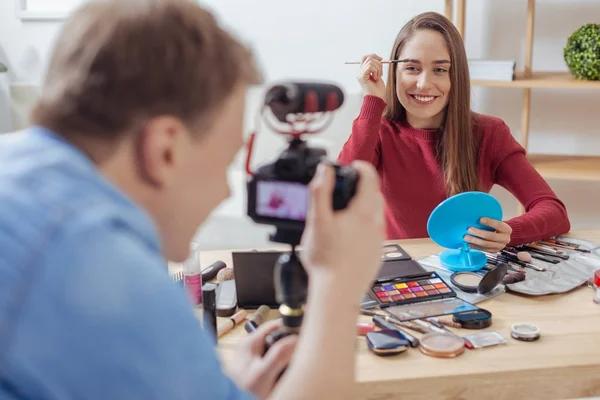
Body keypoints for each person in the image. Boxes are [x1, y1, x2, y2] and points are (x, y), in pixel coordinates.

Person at [0, 1, 384, 399]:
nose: (226, 189)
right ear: (166, 150)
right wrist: (339, 285)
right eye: (225, 161)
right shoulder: (105, 278)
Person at [338, 11, 570, 253]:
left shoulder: (489, 133)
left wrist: (510, 232)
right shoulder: (378, 131)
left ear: (455, 76)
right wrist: (372, 101)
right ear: (394, 72)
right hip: (398, 273)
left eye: (440, 70)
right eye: (412, 68)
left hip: (464, 274)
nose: (424, 83)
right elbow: (339, 195)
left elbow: (554, 212)